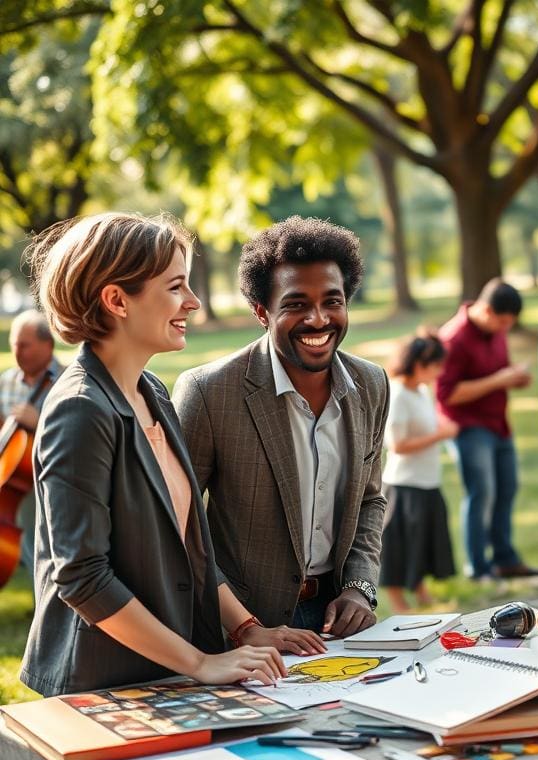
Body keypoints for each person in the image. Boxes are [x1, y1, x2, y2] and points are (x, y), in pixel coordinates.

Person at [20, 212, 324, 697]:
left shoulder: (153, 393)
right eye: (176, 287)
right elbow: (82, 578)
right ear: (117, 299)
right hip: (102, 685)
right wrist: (201, 663)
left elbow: (192, 548)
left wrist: (246, 628)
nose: (194, 301)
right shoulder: (79, 410)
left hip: (166, 673)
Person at [173, 216, 388, 637]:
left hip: (336, 622)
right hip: (234, 629)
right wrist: (242, 626)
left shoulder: (371, 384)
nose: (318, 319)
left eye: (332, 301)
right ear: (261, 312)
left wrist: (360, 589)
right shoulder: (208, 392)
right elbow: (177, 526)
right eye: (295, 304)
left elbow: (370, 500)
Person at [437, 279, 538, 580]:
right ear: (484, 309)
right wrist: (500, 380)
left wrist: (514, 379)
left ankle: (505, 558)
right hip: (469, 427)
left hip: (499, 424)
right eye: (502, 322)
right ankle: (478, 567)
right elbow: (447, 394)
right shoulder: (454, 338)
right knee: (481, 492)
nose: (505, 329)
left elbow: (499, 372)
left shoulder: (496, 332)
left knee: (507, 489)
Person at [380, 332, 457, 612]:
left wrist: (443, 426)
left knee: (423, 540)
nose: (440, 371)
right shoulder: (398, 394)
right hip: (404, 484)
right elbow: (397, 445)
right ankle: (398, 600)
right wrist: (440, 436)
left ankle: (422, 591)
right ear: (420, 364)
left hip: (427, 481)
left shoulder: (422, 391)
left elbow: (434, 420)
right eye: (436, 365)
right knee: (400, 546)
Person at [0, 310, 63, 577]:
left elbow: (74, 436)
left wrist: (39, 422)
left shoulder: (65, 381)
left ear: (47, 344)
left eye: (24, 345)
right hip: (13, 474)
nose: (17, 352)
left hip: (51, 474)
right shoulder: (6, 381)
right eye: (13, 344)